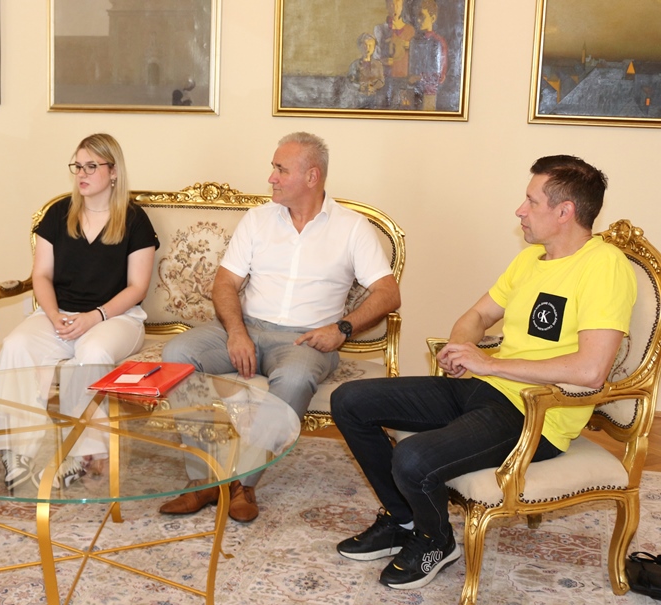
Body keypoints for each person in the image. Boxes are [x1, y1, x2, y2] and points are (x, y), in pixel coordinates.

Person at [330, 155, 635, 590]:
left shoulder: (604, 267)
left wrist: (490, 362)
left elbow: (590, 370)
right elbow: (478, 315)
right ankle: (404, 519)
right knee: (350, 400)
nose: (520, 210)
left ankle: (436, 540)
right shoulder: (531, 260)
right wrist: (461, 348)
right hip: (484, 388)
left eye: (531, 201)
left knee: (412, 459)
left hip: (536, 414)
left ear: (565, 211)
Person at [159, 132, 402, 522]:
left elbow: (388, 294)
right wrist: (236, 332)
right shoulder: (258, 219)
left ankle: (244, 483)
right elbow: (224, 283)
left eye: (280, 169)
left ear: (312, 176)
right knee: (177, 353)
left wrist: (342, 329)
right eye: (273, 168)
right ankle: (205, 478)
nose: (271, 177)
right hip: (247, 326)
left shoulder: (352, 228)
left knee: (295, 378)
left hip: (304, 341)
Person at [0, 133, 159, 490]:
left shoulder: (134, 220)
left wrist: (94, 317)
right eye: (78, 166)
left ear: (113, 172)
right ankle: (18, 451)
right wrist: (53, 315)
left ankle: (80, 454)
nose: (82, 174)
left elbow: (137, 288)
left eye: (91, 166)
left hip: (116, 318)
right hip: (60, 313)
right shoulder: (58, 214)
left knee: (92, 351)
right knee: (16, 345)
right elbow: (41, 275)